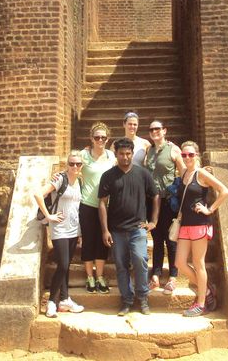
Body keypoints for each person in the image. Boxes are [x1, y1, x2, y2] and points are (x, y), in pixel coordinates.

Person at [98, 137, 159, 316]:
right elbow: (102, 203)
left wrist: (153, 221)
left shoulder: (143, 174)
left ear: (132, 154)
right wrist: (105, 230)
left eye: (128, 154)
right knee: (121, 265)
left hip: (137, 228)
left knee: (140, 261)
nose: (125, 157)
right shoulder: (108, 175)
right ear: (115, 155)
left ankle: (143, 297)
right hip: (116, 230)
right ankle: (126, 300)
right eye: (121, 154)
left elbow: (155, 195)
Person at [174, 141, 228, 317]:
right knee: (180, 263)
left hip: (200, 224)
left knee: (198, 264)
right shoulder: (184, 173)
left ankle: (200, 304)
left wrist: (210, 209)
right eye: (184, 155)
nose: (187, 158)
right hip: (185, 224)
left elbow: (224, 191)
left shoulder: (202, 174)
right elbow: (173, 153)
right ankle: (205, 290)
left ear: (196, 155)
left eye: (190, 154)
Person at [33, 151, 85, 317]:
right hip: (59, 229)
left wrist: (81, 232)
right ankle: (51, 302)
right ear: (66, 164)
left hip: (73, 229)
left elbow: (76, 208)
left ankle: (65, 299)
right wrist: (48, 216)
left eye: (78, 164)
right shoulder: (60, 179)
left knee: (66, 266)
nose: (74, 167)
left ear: (81, 166)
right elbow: (38, 194)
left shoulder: (79, 182)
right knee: (62, 264)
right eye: (71, 163)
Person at [145, 120, 185, 293]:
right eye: (152, 129)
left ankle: (173, 277)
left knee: (171, 239)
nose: (155, 131)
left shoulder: (173, 149)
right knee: (157, 238)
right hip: (152, 201)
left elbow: (183, 172)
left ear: (164, 131)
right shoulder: (149, 150)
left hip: (168, 200)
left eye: (158, 129)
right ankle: (156, 274)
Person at [79, 121, 115, 294]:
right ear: (91, 139)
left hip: (106, 205)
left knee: (102, 241)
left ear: (107, 139)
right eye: (97, 137)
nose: (100, 140)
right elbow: (71, 169)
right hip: (87, 204)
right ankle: (89, 277)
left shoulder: (111, 157)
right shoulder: (83, 155)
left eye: (103, 137)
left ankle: (100, 276)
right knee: (88, 240)